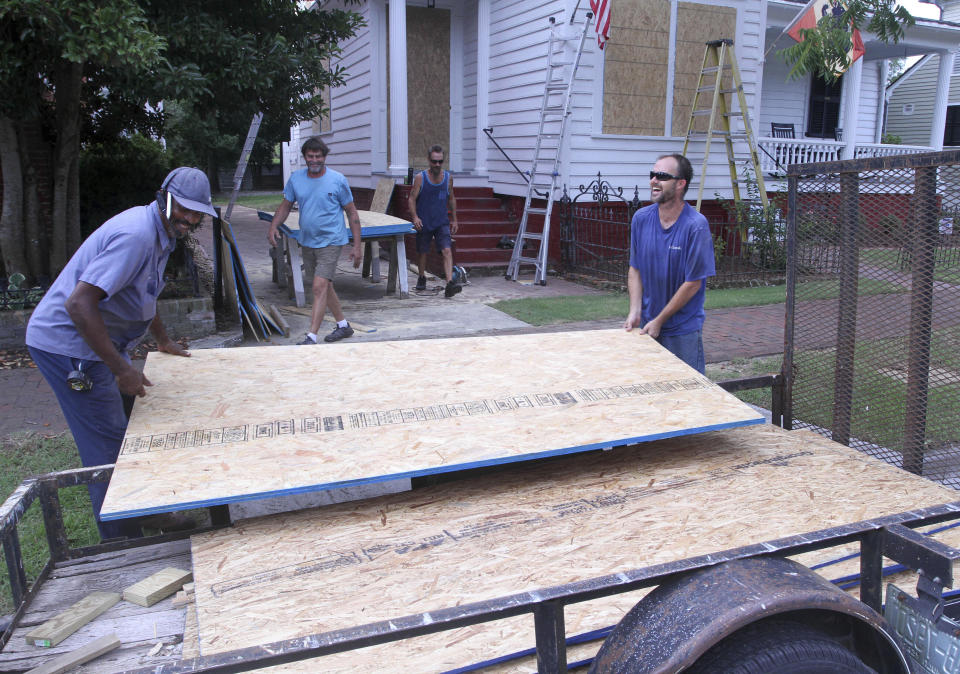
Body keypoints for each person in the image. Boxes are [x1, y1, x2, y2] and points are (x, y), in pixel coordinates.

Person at [25, 167, 215, 540]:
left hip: (99, 346)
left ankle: (148, 512)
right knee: (107, 445)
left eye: (197, 213)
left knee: (134, 428)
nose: (190, 219)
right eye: (185, 210)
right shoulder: (136, 236)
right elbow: (79, 305)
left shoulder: (161, 234)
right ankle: (123, 544)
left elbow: (143, 294)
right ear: (164, 196)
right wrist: (120, 368)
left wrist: (161, 339)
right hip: (70, 349)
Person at [623, 154, 716, 373]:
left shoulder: (696, 226)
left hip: (682, 331)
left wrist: (660, 320)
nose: (654, 180)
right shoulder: (641, 218)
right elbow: (635, 268)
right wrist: (635, 310)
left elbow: (693, 283)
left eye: (662, 176)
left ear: (680, 184)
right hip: (647, 326)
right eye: (652, 175)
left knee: (687, 395)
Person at [268, 137, 363, 344]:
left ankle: (311, 336)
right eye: (310, 156)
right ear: (305, 157)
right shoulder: (296, 179)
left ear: (324, 157)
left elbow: (351, 212)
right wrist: (274, 225)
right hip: (308, 240)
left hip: (331, 240)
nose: (314, 160)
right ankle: (343, 326)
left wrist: (357, 245)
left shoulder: (337, 180)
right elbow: (285, 205)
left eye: (318, 156)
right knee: (325, 286)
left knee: (319, 286)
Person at [407, 144, 462, 298]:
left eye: (440, 161)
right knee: (423, 252)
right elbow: (411, 199)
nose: (437, 165)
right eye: (434, 161)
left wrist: (455, 219)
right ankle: (422, 277)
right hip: (424, 221)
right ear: (428, 160)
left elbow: (451, 198)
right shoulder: (420, 178)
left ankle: (450, 283)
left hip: (441, 221)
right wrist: (415, 217)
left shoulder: (448, 178)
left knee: (446, 250)